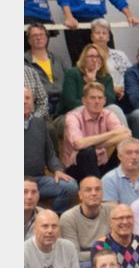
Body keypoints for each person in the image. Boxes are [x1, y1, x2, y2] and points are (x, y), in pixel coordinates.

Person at [25, 86, 80, 214]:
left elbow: (50, 153)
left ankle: (52, 218)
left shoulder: (40, 124)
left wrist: (57, 169)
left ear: (33, 101)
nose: (24, 101)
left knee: (70, 186)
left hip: (38, 181)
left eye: (27, 98)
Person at [63, 82, 132, 181]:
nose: (97, 101)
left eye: (100, 98)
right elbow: (78, 143)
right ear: (83, 101)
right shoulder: (73, 117)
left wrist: (93, 144)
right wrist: (113, 133)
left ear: (104, 101)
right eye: (92, 98)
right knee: (87, 152)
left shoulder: (108, 115)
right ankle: (97, 186)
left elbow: (126, 135)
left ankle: (115, 183)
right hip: (76, 169)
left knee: (125, 146)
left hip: (100, 165)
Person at [61, 45, 128, 128]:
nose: (94, 60)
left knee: (114, 108)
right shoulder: (72, 73)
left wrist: (93, 82)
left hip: (100, 111)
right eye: (91, 56)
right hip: (73, 113)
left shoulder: (106, 76)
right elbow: (70, 101)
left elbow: (110, 99)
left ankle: (125, 135)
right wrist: (88, 85)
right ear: (84, 59)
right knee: (86, 112)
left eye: (98, 57)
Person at [61, 176, 115, 268]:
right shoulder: (68, 218)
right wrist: (104, 253)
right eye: (88, 190)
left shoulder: (112, 211)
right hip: (83, 263)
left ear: (103, 193)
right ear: (80, 195)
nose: (94, 193)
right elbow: (73, 254)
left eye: (97, 189)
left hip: (110, 259)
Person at [26, 22, 72, 117]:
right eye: (34, 35)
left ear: (47, 38)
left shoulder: (58, 59)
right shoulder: (24, 62)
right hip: (40, 103)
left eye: (41, 34)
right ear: (29, 40)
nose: (39, 38)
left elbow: (70, 78)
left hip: (63, 100)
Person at [92, 204, 139, 268]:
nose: (125, 222)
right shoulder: (100, 245)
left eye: (129, 217)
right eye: (120, 218)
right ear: (110, 222)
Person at [88, 20, 133, 102]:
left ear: (109, 37)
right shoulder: (88, 57)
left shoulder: (120, 55)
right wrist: (112, 89)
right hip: (101, 98)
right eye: (97, 33)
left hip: (125, 95)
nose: (101, 36)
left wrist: (124, 89)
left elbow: (130, 74)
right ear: (92, 37)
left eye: (104, 33)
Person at [101, 139, 139, 205]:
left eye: (137, 152)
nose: (134, 157)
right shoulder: (109, 179)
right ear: (119, 156)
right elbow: (112, 210)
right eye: (129, 153)